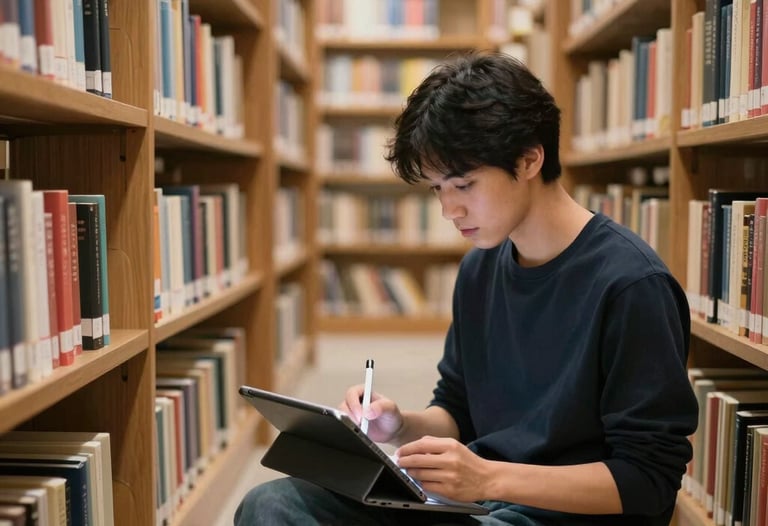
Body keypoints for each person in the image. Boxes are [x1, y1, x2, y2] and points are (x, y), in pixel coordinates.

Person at [235, 51, 697, 526]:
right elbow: (459, 409)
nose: (449, 210)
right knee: (272, 506)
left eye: (464, 184)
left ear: (529, 159)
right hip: (479, 501)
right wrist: (399, 425)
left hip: (564, 512)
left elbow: (648, 480)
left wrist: (490, 479)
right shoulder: (480, 268)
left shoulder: (631, 285)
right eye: (437, 189)